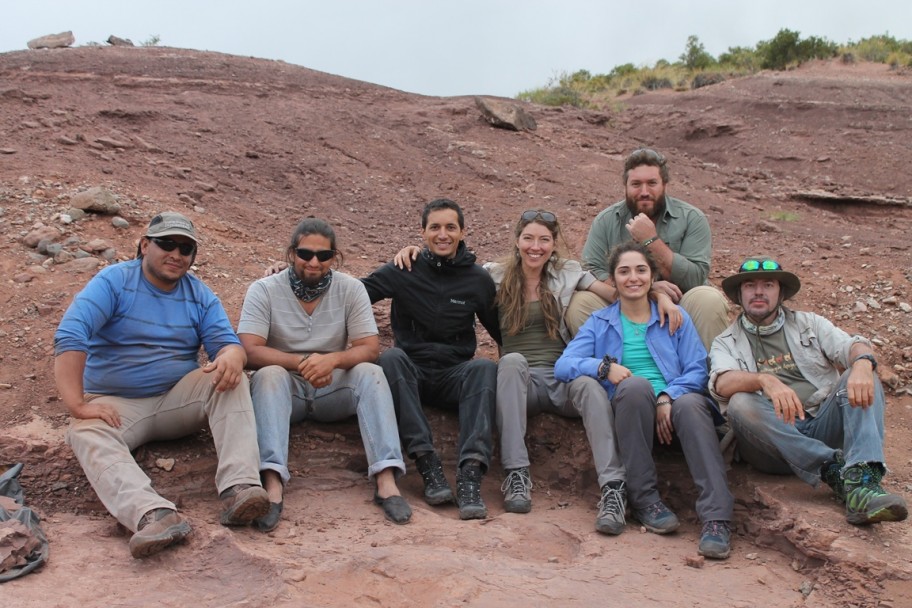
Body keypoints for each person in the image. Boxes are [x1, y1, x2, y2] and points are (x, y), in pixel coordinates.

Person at [54, 212, 269, 559]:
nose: (176, 254)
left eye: (186, 248)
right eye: (166, 243)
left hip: (175, 399)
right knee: (84, 431)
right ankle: (153, 514)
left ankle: (240, 488)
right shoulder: (113, 282)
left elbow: (226, 344)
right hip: (116, 405)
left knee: (231, 378)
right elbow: (70, 335)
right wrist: (77, 405)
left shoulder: (199, 295)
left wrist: (232, 356)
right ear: (144, 245)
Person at [555, 241, 734, 559]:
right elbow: (564, 364)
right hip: (632, 412)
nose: (633, 278)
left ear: (652, 276)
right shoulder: (600, 322)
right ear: (613, 279)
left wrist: (667, 396)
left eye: (641, 270)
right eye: (624, 271)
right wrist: (602, 367)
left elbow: (696, 369)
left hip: (677, 414)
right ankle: (644, 500)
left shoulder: (676, 319)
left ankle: (716, 519)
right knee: (636, 387)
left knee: (692, 404)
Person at [238, 218, 411, 531]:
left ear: (335, 257)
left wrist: (332, 361)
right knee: (268, 375)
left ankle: (386, 480)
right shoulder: (264, 290)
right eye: (305, 253)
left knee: (371, 373)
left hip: (331, 386)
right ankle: (272, 483)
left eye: (323, 255)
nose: (314, 261)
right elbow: (249, 350)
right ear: (291, 253)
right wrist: (302, 362)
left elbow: (369, 346)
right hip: (285, 390)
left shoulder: (351, 289)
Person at [709, 257, 908, 525]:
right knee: (741, 403)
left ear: (780, 293)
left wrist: (862, 362)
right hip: (772, 446)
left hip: (821, 424)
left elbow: (852, 345)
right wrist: (764, 380)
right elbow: (722, 383)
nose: (758, 292)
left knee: (862, 374)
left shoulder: (810, 324)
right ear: (739, 295)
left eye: (768, 284)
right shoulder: (726, 342)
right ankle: (833, 470)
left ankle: (861, 483)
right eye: (749, 285)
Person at [361, 198, 501, 520]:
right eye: (434, 227)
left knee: (483, 367)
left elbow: (502, 332)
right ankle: (427, 464)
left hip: (455, 374)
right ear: (422, 233)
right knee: (391, 358)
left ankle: (470, 476)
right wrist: (287, 277)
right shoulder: (404, 269)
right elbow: (355, 294)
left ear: (462, 231)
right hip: (412, 373)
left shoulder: (477, 280)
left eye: (450, 227)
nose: (443, 234)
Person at [565, 147, 729, 350]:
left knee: (708, 299)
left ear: (664, 184)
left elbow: (695, 276)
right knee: (581, 302)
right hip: (624, 305)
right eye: (636, 184)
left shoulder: (691, 218)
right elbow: (591, 271)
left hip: (679, 304)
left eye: (652, 183)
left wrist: (651, 240)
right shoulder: (606, 220)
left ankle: (712, 378)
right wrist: (646, 290)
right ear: (625, 185)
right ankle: (608, 373)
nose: (644, 192)